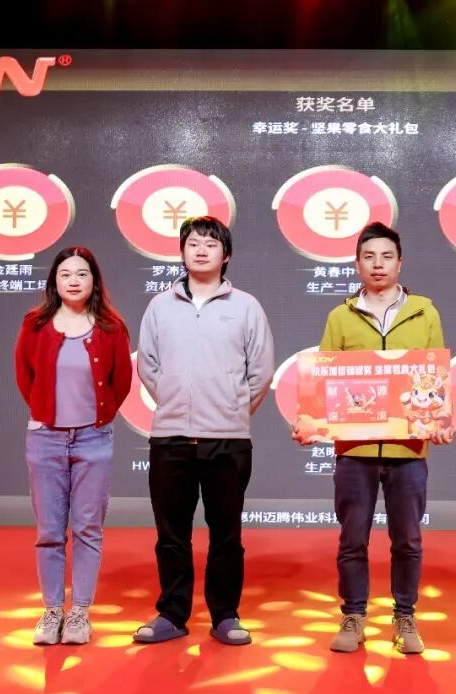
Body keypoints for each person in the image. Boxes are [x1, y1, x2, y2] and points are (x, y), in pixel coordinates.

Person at [294, 221, 454, 655]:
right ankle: (353, 615)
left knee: (408, 540)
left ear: (400, 263)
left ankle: (405, 616)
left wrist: (441, 420)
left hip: (409, 448)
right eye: (369, 257)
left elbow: (436, 378)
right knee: (352, 539)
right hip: (355, 450)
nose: (378, 264)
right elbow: (324, 381)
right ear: (357, 264)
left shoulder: (425, 313)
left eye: (386, 256)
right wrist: (310, 421)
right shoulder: (340, 316)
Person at [133, 216, 275, 646]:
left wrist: (232, 409)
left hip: (228, 439)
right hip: (170, 437)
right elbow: (149, 365)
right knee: (171, 535)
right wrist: (174, 399)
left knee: (226, 534)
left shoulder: (246, 306)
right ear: (182, 252)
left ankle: (225, 615)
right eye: (193, 243)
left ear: (225, 255)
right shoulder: (160, 306)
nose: (200, 250)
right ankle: (172, 614)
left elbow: (261, 370)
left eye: (210, 244)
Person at [14, 246, 132, 645]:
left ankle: (80, 612)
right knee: (49, 531)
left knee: (87, 529)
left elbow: (121, 381)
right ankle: (52, 612)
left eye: (82, 273)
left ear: (94, 280)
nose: (74, 280)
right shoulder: (35, 324)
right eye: (65, 274)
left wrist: (100, 418)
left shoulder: (111, 327)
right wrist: (47, 413)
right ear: (54, 282)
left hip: (93, 439)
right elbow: (25, 376)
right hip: (45, 437)